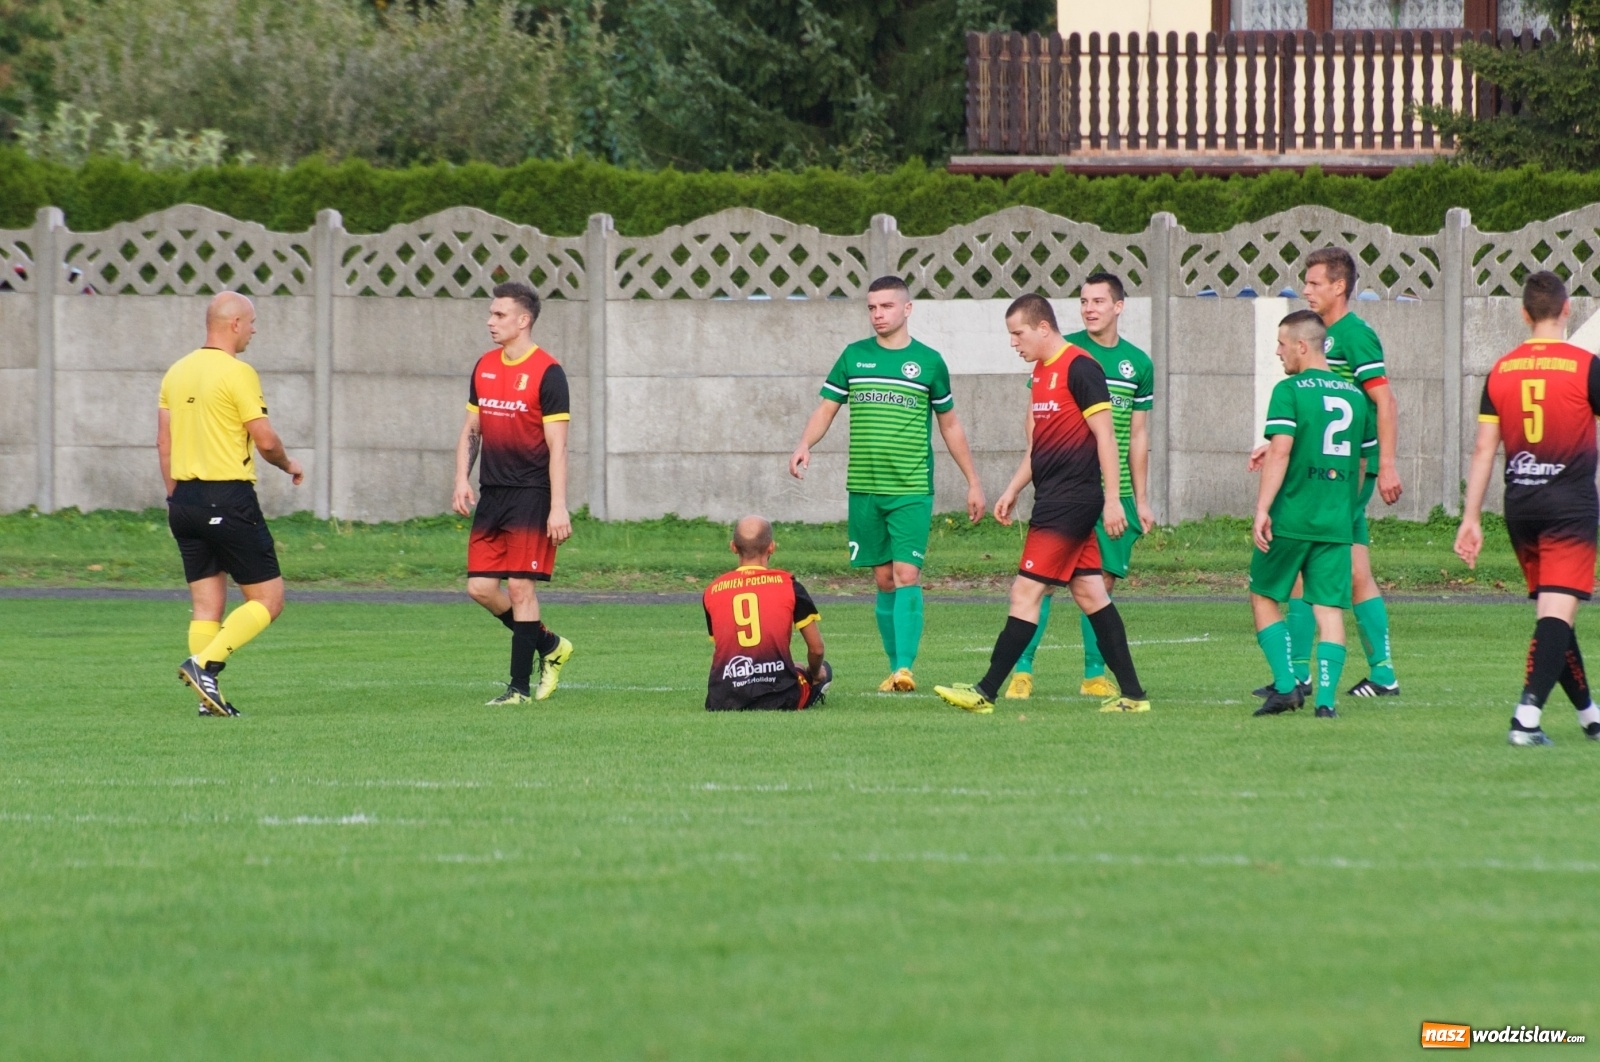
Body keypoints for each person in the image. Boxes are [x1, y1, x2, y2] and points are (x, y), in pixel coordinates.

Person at [935, 294, 1150, 714]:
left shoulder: (1080, 366)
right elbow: (1040, 445)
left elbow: (1106, 436)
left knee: (1024, 591)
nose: (1014, 342)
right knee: (1091, 594)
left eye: (1018, 333)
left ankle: (985, 691)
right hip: (1052, 497)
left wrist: (1112, 500)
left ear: (1043, 328)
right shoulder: (1041, 373)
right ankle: (1134, 696)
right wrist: (1014, 488)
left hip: (1072, 501)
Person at [789, 275, 985, 693]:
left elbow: (950, 425)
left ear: (907, 309)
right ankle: (893, 667)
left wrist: (973, 481)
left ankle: (904, 669)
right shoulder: (854, 357)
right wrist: (805, 443)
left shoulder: (928, 363)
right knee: (882, 579)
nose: (878, 315)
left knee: (907, 572)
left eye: (887, 307)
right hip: (864, 487)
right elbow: (827, 408)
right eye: (872, 308)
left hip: (911, 487)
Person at [1249, 247, 1403, 699]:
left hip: (1351, 470)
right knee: (1344, 569)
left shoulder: (1353, 336)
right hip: (1332, 466)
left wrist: (1388, 463)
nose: (1306, 290)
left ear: (1340, 286)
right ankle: (1315, 674)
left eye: (1315, 283)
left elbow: (1385, 401)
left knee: (1327, 563)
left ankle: (1366, 672)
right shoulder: (1322, 337)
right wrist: (1277, 444)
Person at [1455, 271, 1600, 746]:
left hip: (1521, 507)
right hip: (1570, 507)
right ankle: (1526, 720)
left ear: (1523, 313)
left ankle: (1589, 717)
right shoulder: (1587, 366)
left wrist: (1471, 517)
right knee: (1556, 616)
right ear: (1566, 310)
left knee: (1555, 613)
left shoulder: (1501, 370)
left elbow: (1483, 450)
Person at [1006, 272, 1154, 700]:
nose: (1089, 308)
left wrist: (1136, 498)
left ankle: (1095, 675)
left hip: (1113, 491)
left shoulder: (1137, 364)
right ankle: (1021, 670)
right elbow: (1039, 427)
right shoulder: (1058, 352)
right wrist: (1022, 480)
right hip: (1071, 488)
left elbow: (1135, 436)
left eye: (1098, 301)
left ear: (1118, 306)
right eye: (1084, 301)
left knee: (1096, 584)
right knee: (1041, 581)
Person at [158, 291, 304, 716]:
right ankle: (204, 665)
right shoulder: (237, 373)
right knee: (269, 599)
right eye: (252, 322)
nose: (255, 330)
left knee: (206, 605)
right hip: (227, 496)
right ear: (235, 323)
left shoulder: (176, 372)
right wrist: (288, 462)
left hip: (183, 499)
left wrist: (174, 495)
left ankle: (207, 697)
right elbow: (265, 439)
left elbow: (163, 442)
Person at [1249, 310, 1376, 719]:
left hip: (1292, 516)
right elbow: (1360, 462)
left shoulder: (1289, 390)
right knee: (1329, 610)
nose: (1278, 351)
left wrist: (1263, 508)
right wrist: (1346, 505)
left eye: (1282, 344)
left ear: (1302, 346)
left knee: (1264, 595)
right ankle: (1325, 703)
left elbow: (1281, 450)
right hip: (1336, 521)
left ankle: (1286, 686)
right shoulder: (1357, 397)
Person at [451, 281, 574, 705]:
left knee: (521, 588)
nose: (490, 321)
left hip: (531, 494)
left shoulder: (548, 372)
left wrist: (558, 507)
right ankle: (550, 645)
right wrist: (461, 479)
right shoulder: (484, 366)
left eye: (499, 315)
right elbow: (471, 430)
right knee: (481, 588)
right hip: (493, 494)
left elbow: (558, 446)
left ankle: (517, 689)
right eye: (490, 314)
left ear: (524, 321)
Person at [702, 516, 832, 711]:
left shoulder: (712, 591)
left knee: (791, 666)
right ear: (771, 547)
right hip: (780, 697)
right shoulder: (789, 585)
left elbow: (726, 646)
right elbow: (817, 649)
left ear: (733, 547)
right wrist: (815, 674)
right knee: (822, 669)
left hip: (724, 700)